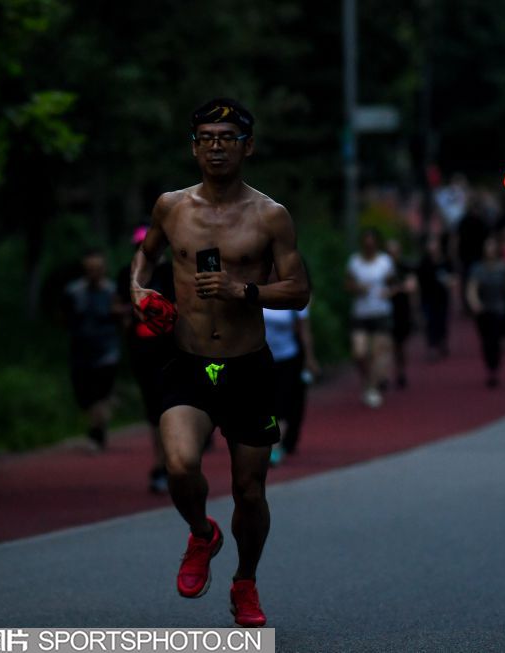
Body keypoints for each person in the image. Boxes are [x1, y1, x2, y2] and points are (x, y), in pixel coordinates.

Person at [130, 98, 310, 627]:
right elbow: (146, 257)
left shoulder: (270, 216)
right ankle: (203, 535)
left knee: (249, 491)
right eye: (205, 137)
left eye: (226, 138)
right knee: (181, 464)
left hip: (246, 368)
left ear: (247, 147)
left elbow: (299, 290)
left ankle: (245, 581)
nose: (215, 146)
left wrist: (243, 289)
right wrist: (140, 291)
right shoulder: (171, 207)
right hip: (189, 362)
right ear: (194, 146)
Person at [117, 224, 175, 493]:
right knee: (154, 412)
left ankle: (170, 463)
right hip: (142, 351)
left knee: (171, 407)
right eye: (139, 244)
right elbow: (117, 307)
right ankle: (163, 464)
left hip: (173, 350)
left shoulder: (173, 272)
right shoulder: (127, 274)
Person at [63, 248, 123, 450]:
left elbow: (124, 318)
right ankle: (100, 423)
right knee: (85, 398)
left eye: (98, 268)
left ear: (104, 269)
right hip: (81, 352)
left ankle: (95, 434)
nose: (94, 273)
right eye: (90, 269)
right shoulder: (74, 291)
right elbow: (63, 317)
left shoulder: (112, 291)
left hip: (107, 352)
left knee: (100, 395)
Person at [262, 303, 320, 467]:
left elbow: (305, 332)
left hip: (288, 358)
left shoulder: (292, 296)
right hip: (259, 358)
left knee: (282, 405)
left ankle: (275, 447)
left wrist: (310, 359)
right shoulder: (253, 289)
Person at [345, 228, 395, 408]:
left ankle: (372, 388)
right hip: (361, 313)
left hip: (380, 311)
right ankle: (367, 379)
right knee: (359, 352)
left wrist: (389, 291)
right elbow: (348, 284)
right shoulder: (355, 262)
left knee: (376, 353)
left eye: (372, 241)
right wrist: (358, 288)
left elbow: (392, 284)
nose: (369, 245)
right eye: (366, 241)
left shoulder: (385, 261)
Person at [466, 234, 505, 388]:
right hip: (483, 309)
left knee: (495, 339)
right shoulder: (478, 268)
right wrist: (475, 303)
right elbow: (472, 287)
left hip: (498, 307)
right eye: (488, 246)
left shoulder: (503, 267)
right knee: (486, 340)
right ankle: (489, 366)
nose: (490, 249)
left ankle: (494, 369)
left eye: (493, 246)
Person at [386, 239, 417, 389]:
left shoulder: (405, 267)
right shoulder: (383, 268)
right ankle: (384, 374)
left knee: (399, 345)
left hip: (401, 310)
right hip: (386, 310)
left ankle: (401, 371)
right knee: (386, 344)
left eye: (394, 252)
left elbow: (411, 287)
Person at [416, 234, 453, 359]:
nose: (432, 247)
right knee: (430, 321)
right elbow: (418, 280)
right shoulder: (424, 262)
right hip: (427, 296)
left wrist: (449, 281)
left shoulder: (445, 260)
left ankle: (442, 340)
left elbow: (453, 277)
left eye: (434, 244)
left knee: (441, 320)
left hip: (442, 296)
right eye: (430, 244)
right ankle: (432, 345)